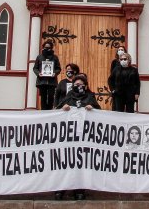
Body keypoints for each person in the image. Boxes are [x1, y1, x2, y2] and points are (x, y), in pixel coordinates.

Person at [54, 74, 99, 202]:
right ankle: (60, 189)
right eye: (76, 85)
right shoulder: (68, 97)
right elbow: (57, 110)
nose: (78, 87)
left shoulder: (90, 96)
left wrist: (93, 108)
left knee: (80, 164)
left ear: (85, 86)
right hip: (68, 137)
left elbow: (99, 112)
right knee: (65, 163)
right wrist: (63, 109)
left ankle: (79, 190)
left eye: (81, 85)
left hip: (83, 138)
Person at [34, 41, 61, 110]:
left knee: (51, 96)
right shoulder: (39, 57)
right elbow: (35, 68)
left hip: (52, 82)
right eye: (46, 47)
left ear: (51, 48)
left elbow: (58, 68)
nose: (47, 49)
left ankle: (49, 111)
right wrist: (38, 73)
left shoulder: (55, 57)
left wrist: (55, 73)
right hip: (42, 81)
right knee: (43, 97)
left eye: (49, 48)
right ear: (43, 48)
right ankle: (43, 111)